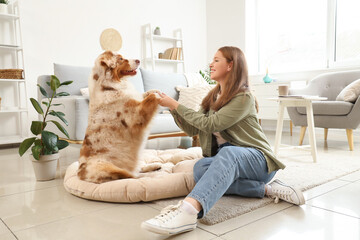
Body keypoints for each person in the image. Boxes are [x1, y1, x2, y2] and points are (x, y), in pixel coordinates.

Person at [141, 46, 305, 236]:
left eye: (216, 60)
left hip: (258, 161)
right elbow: (193, 129)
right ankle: (268, 190)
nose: (211, 64)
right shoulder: (212, 96)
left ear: (230, 65)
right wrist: (172, 109)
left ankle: (188, 211)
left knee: (229, 152)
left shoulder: (244, 98)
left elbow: (211, 124)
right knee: (200, 169)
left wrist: (176, 104)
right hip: (231, 160)